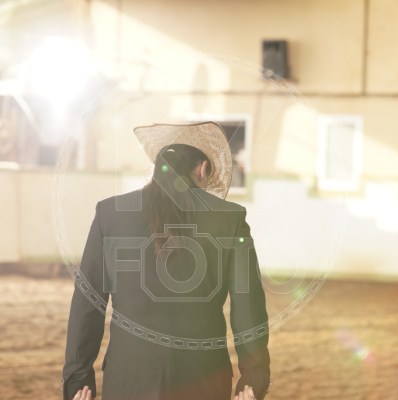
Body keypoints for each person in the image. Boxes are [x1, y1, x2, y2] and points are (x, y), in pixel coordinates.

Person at [62, 122, 270, 400]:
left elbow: (86, 305)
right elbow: (248, 308)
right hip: (204, 380)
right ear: (202, 169)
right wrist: (253, 379)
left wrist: (78, 381)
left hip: (130, 379)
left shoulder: (109, 214)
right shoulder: (230, 219)